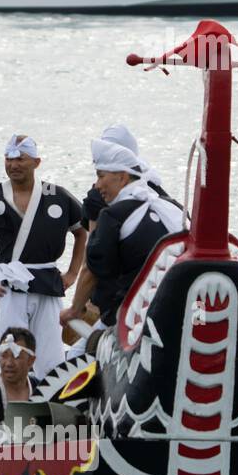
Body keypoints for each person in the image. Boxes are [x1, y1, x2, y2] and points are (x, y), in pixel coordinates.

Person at [0, 135, 86, 378]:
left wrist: (73, 272)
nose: (14, 165)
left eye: (21, 159)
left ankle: (48, 402)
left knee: (50, 351)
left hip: (48, 282)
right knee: (11, 347)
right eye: (9, 159)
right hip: (9, 284)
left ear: (37, 162)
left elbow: (82, 232)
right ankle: (12, 403)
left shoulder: (57, 196)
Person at [63, 125, 182, 336]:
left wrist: (75, 309)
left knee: (76, 358)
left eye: (101, 176)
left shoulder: (111, 213)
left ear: (123, 177)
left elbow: (91, 266)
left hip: (128, 314)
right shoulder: (169, 204)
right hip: (176, 307)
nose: (97, 185)